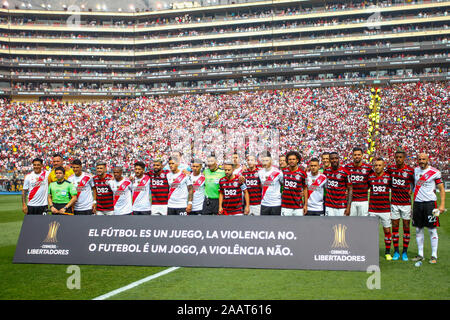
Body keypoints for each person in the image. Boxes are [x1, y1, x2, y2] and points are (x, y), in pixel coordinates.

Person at [411, 153, 446, 264]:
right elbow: (412, 185)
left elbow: (441, 189)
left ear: (428, 160)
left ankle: (433, 255)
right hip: (417, 203)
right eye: (419, 159)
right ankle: (420, 254)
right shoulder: (415, 171)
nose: (421, 161)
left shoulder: (435, 172)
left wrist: (442, 205)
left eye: (423, 159)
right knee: (418, 229)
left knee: (432, 229)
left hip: (430, 204)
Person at [386, 149, 414, 261]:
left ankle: (405, 252)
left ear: (404, 158)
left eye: (400, 157)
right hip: (394, 203)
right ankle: (396, 251)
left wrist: (411, 188)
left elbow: (414, 182)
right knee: (395, 228)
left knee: (406, 228)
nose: (398, 159)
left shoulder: (410, 171)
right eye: (396, 157)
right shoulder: (390, 169)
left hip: (406, 203)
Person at [367, 158, 393, 261]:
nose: (377, 167)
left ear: (383, 166)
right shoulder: (370, 177)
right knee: (372, 232)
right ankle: (373, 251)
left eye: (379, 165)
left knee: (387, 230)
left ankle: (387, 252)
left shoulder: (388, 177)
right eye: (376, 165)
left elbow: (394, 189)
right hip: (373, 209)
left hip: (385, 209)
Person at [344, 147, 372, 217]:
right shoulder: (347, 167)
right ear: (352, 156)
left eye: (359, 154)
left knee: (362, 223)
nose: (357, 156)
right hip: (351, 201)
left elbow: (371, 182)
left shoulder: (368, 168)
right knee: (351, 223)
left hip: (363, 201)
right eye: (355, 155)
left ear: (362, 155)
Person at [323, 152, 352, 216]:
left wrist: (348, 206)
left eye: (336, 158)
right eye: (332, 158)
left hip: (341, 206)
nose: (334, 160)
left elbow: (350, 189)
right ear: (330, 160)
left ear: (339, 159)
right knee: (328, 225)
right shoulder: (326, 171)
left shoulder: (345, 172)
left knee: (341, 225)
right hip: (329, 205)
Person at [281, 151, 308, 216]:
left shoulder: (303, 173)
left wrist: (305, 205)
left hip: (298, 206)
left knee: (298, 225)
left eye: (293, 159)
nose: (291, 161)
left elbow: (305, 188)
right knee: (285, 226)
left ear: (297, 160)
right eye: (290, 159)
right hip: (285, 206)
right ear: (287, 160)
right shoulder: (283, 172)